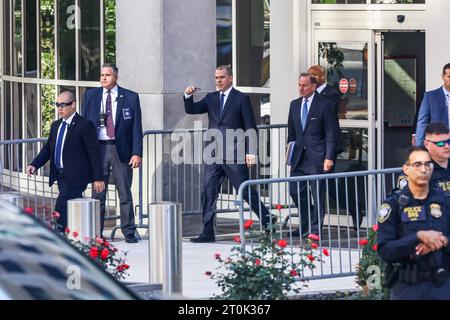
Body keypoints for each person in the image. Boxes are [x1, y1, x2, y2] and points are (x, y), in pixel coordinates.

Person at [184, 65, 273, 243]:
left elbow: (250, 126)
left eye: (222, 77)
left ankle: (269, 221)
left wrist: (251, 152)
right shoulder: (211, 98)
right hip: (214, 155)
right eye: (216, 77)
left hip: (235, 154)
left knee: (246, 192)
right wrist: (188, 95)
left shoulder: (241, 98)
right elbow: (192, 109)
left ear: (230, 78)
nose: (218, 81)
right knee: (208, 193)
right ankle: (208, 232)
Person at [377, 146, 450, 300]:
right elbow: (385, 251)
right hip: (407, 288)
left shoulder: (444, 201)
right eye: (417, 165)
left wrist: (443, 241)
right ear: (406, 169)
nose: (423, 170)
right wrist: (418, 237)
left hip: (442, 285)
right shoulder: (394, 205)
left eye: (427, 164)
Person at [82, 63, 143, 243]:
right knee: (97, 193)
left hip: (120, 149)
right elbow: (85, 125)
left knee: (124, 192)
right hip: (98, 149)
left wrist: (136, 153)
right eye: (101, 75)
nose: (103, 78)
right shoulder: (91, 95)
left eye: (107, 75)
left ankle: (129, 232)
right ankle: (96, 233)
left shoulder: (130, 97)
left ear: (115, 77)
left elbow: (136, 128)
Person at [26, 91, 105, 230]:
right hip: (61, 176)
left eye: (63, 105)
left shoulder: (85, 125)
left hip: (76, 177)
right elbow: (48, 149)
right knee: (70, 208)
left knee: (60, 208)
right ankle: (75, 235)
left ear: (73, 105)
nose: (59, 108)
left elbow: (94, 153)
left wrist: (98, 178)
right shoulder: (56, 125)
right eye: (57, 105)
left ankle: (60, 236)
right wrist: (34, 164)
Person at [287, 73, 337, 237]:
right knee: (295, 191)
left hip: (317, 157)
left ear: (313, 86)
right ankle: (306, 223)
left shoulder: (324, 105)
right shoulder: (294, 105)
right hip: (299, 158)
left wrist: (328, 157)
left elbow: (331, 133)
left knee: (317, 194)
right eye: (299, 85)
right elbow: (292, 134)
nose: (301, 88)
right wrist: (289, 153)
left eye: (305, 85)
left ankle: (315, 230)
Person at [399, 122, 450, 195]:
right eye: (440, 143)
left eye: (449, 142)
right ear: (427, 144)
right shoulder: (416, 168)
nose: (447, 146)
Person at [415, 63, 450, 146]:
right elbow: (422, 123)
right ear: (442, 76)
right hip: (439, 145)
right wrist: (419, 147)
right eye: (449, 77)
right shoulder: (430, 97)